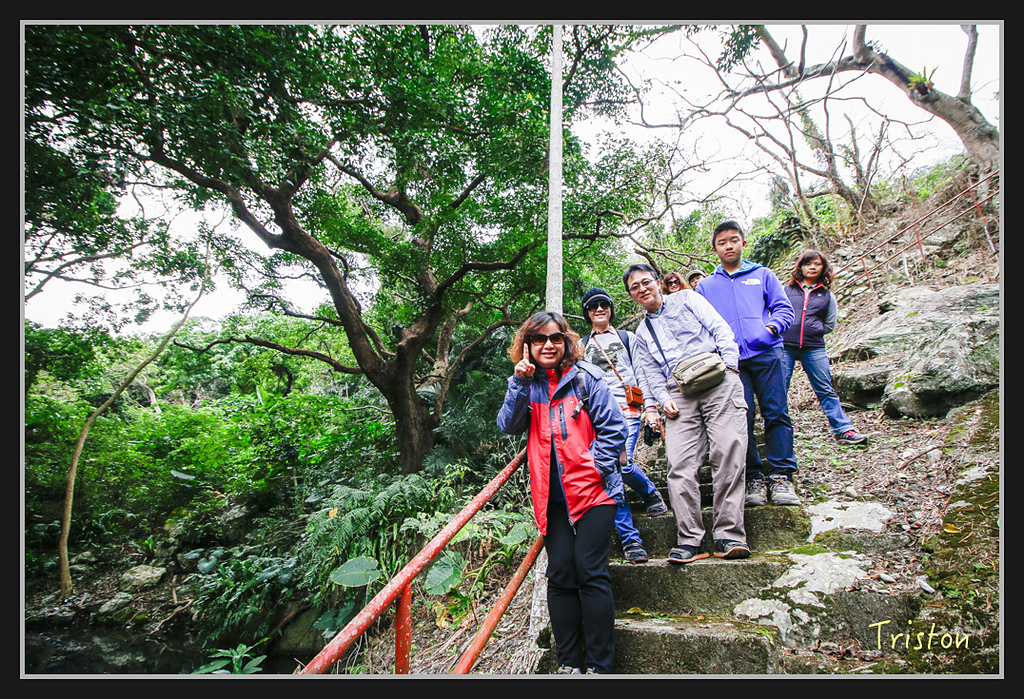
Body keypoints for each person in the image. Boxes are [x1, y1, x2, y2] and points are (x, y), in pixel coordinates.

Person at [497, 311, 625, 675]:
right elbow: (508, 425)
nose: (548, 345)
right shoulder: (527, 384)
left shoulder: (587, 378)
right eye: (539, 339)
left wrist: (595, 468)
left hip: (595, 493)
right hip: (551, 496)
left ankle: (601, 666)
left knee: (590, 569)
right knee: (561, 573)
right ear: (527, 346)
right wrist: (519, 383)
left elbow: (614, 428)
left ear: (566, 341)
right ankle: (570, 663)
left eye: (555, 338)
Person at [625, 264, 751, 564]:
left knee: (728, 451)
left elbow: (720, 328)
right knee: (679, 464)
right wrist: (659, 401)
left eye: (646, 282)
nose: (642, 289)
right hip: (678, 393)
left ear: (658, 282)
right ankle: (690, 539)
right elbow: (648, 373)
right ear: (631, 295)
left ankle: (729, 534)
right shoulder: (641, 332)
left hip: (717, 378)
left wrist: (731, 368)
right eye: (635, 287)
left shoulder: (688, 299)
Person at [696, 220, 801, 508]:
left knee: (776, 413)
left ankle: (781, 477)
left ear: (743, 242)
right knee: (742, 419)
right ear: (714, 248)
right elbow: (701, 326)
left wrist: (769, 331)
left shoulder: (763, 275)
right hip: (731, 363)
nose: (728, 246)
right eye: (722, 242)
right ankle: (754, 477)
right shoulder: (705, 286)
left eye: (734, 240)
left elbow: (783, 308)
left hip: (768, 353)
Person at [580, 288, 670, 564]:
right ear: (586, 312)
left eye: (603, 304)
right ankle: (631, 538)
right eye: (593, 306)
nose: (599, 309)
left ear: (610, 309)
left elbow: (641, 371)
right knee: (612, 473)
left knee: (624, 464)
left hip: (629, 410)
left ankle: (648, 495)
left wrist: (650, 407)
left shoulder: (627, 338)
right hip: (599, 416)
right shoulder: (582, 345)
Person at [781, 250, 868, 445]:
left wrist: (813, 329)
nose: (812, 267)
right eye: (808, 263)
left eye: (817, 264)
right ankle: (773, 428)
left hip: (813, 347)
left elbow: (829, 324)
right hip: (785, 345)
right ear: (800, 267)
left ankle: (844, 430)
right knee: (779, 388)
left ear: (823, 268)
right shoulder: (786, 291)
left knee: (825, 389)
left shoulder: (827, 296)